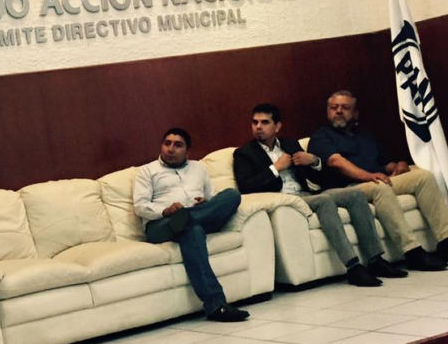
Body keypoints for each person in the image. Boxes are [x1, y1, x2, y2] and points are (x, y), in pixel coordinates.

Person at [233, 103, 407, 287]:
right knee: (324, 200)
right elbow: (246, 187)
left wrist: (314, 161)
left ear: (277, 126)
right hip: (285, 200)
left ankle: (375, 259)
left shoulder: (290, 144)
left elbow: (318, 177)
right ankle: (353, 267)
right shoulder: (244, 153)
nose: (258, 127)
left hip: (307, 193)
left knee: (355, 195)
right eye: (255, 122)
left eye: (264, 122)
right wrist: (275, 168)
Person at [308, 90, 448, 271]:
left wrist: (400, 166)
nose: (339, 111)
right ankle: (412, 251)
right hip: (349, 188)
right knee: (380, 187)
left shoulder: (365, 135)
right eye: (334, 107)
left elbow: (387, 164)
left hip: (376, 180)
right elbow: (336, 162)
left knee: (423, 177)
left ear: (355, 113)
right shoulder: (321, 136)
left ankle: (445, 241)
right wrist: (368, 176)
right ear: (328, 111)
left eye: (345, 107)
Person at [133, 128, 249, 322]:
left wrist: (205, 202)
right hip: (161, 224)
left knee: (231, 195)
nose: (171, 149)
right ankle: (216, 305)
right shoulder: (147, 171)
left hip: (195, 216)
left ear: (187, 151)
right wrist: (165, 211)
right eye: (167, 143)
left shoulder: (198, 168)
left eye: (178, 145)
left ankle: (188, 217)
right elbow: (140, 206)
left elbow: (211, 197)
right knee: (192, 230)